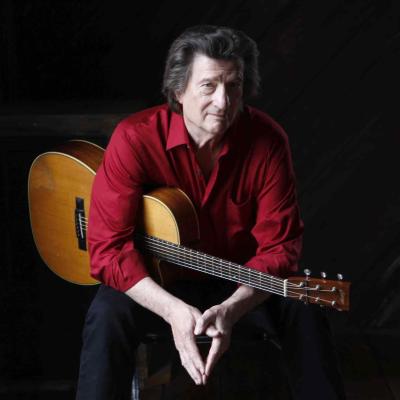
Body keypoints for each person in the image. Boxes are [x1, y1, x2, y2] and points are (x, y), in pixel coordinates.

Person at [76, 25, 346, 399]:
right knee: (107, 312)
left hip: (240, 281)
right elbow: (108, 249)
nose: (223, 101)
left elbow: (280, 248)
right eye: (209, 86)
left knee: (304, 306)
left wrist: (232, 308)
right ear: (178, 90)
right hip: (157, 280)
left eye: (234, 86)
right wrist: (172, 311)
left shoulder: (268, 141)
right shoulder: (136, 138)